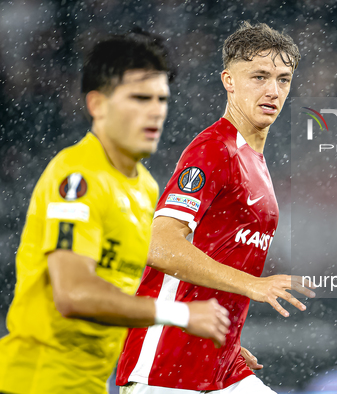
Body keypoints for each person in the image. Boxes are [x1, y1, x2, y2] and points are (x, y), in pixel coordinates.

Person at [0, 30, 230, 394]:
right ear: (97, 105)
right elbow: (74, 294)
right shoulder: (78, 176)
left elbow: (128, 301)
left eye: (161, 99)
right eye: (139, 98)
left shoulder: (144, 187)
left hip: (89, 385)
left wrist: (216, 347)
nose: (155, 110)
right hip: (34, 382)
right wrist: (181, 315)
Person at [116, 22, 315, 393]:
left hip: (219, 365)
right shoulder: (213, 149)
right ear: (229, 80)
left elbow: (217, 251)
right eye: (259, 76)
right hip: (166, 367)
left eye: (283, 79)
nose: (273, 90)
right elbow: (158, 246)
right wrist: (252, 285)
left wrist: (230, 340)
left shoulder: (254, 160)